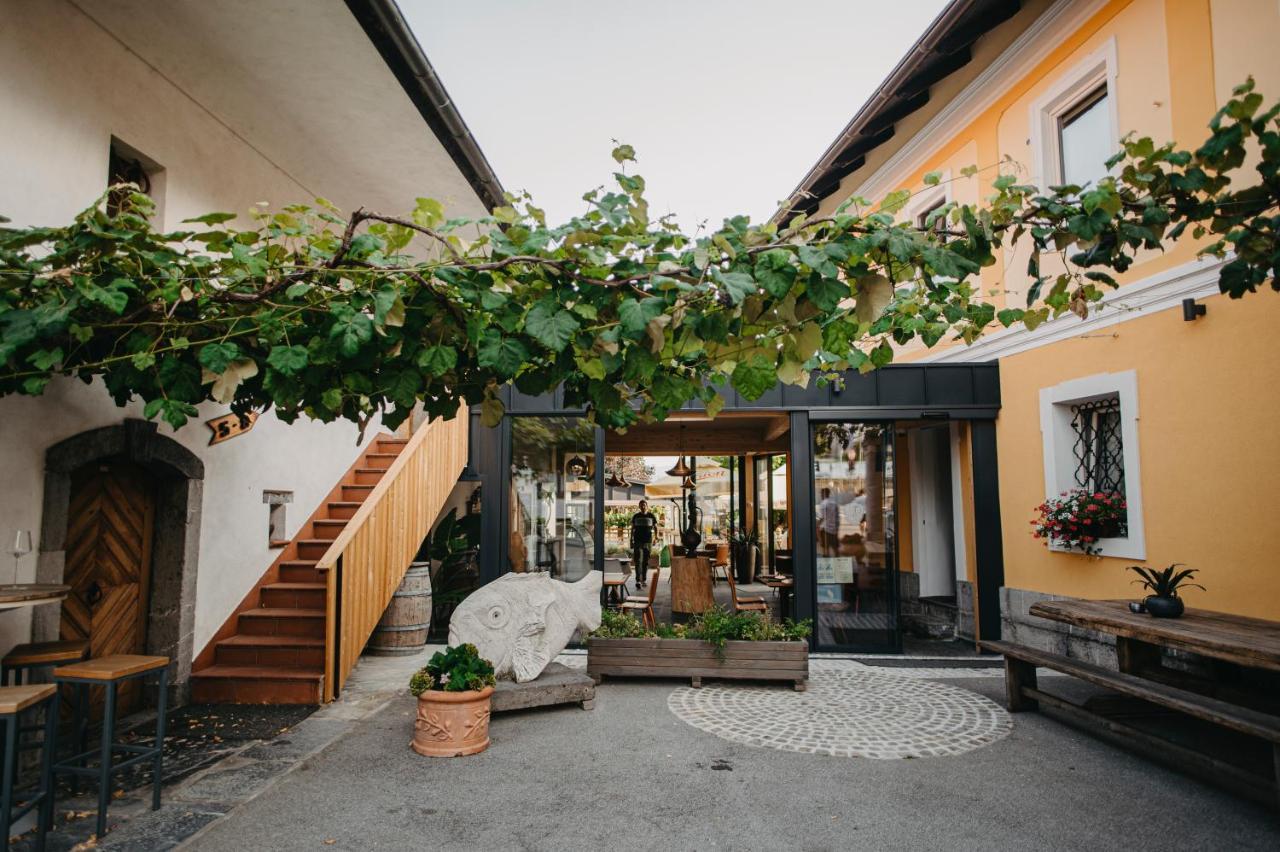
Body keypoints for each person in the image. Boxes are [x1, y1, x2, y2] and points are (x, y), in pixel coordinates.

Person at [629, 499, 658, 588]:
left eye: (644, 505)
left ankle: (644, 580)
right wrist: (631, 540)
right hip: (638, 541)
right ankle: (638, 580)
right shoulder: (636, 516)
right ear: (639, 506)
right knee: (638, 561)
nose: (642, 506)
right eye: (641, 505)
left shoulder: (651, 516)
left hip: (648, 542)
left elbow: (656, 527)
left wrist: (656, 538)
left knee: (645, 561)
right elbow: (633, 529)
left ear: (647, 506)